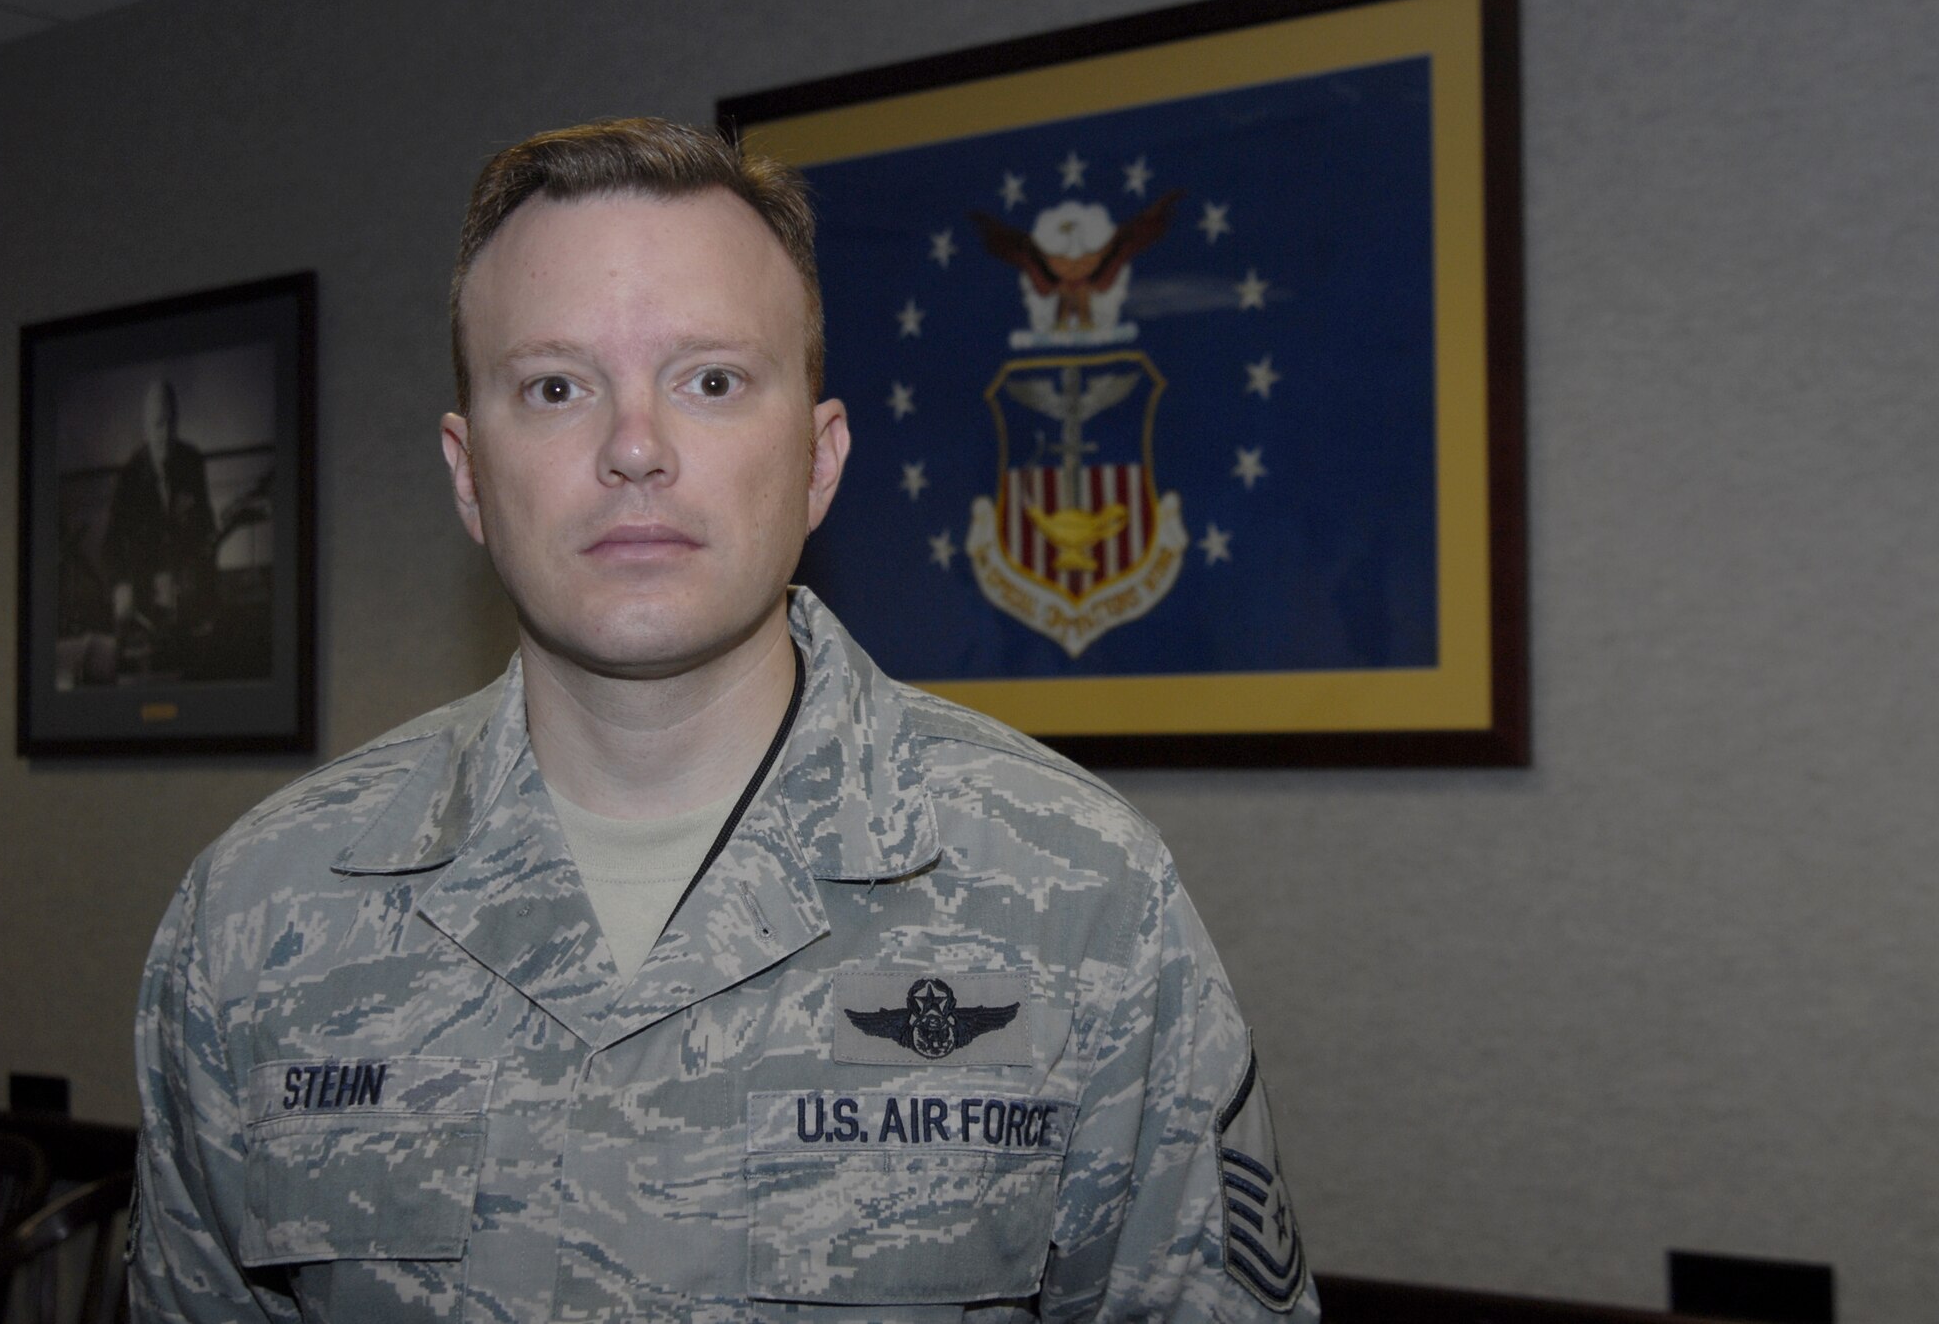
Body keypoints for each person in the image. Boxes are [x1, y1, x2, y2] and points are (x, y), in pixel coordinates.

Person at [132, 117, 1316, 1322]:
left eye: (710, 380)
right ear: (467, 473)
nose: (634, 447)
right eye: (553, 387)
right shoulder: (258, 914)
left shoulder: (1079, 891)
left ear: (816, 458)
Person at [101, 379, 217, 670]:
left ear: (177, 421)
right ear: (145, 426)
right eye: (157, 425)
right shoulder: (128, 477)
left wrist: (190, 575)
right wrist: (121, 587)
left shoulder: (192, 462)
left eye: (169, 423)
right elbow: (110, 547)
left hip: (188, 597)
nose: (164, 434)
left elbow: (206, 529)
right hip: (145, 602)